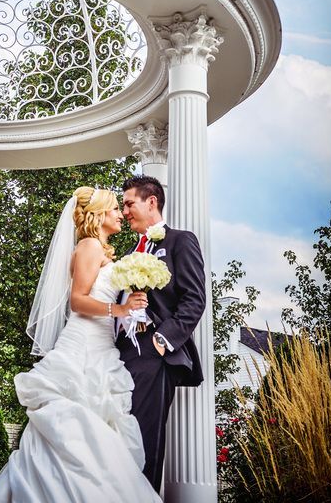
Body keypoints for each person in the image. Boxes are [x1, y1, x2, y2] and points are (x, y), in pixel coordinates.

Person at [0, 187, 162, 503]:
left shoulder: (102, 250)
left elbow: (101, 296)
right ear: (98, 215)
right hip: (83, 347)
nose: (120, 214)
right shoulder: (89, 246)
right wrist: (118, 309)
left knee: (96, 431)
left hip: (102, 345)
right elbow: (78, 300)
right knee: (75, 426)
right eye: (114, 210)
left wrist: (133, 311)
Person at [116, 175, 207, 493]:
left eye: (129, 203)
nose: (124, 211)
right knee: (117, 437)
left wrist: (161, 341)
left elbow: (195, 299)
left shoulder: (180, 241)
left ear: (151, 201)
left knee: (144, 437)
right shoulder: (127, 252)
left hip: (153, 353)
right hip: (119, 353)